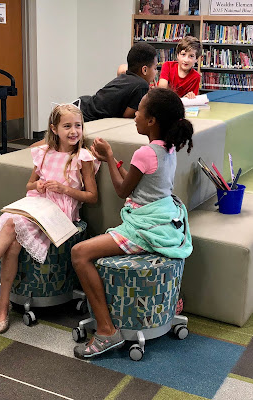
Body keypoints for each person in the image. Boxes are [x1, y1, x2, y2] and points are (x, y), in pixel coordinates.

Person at [0, 103, 99, 334]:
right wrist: (38, 184)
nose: (74, 131)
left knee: (12, 223)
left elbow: (92, 196)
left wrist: (64, 189)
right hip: (36, 205)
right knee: (12, 242)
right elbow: (29, 185)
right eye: (67, 126)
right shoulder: (43, 153)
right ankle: (3, 307)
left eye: (78, 126)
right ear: (54, 129)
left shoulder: (83, 157)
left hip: (60, 213)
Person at [71, 87, 194, 360]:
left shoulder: (144, 153)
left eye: (139, 110)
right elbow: (142, 188)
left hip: (144, 225)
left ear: (151, 121)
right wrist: (113, 162)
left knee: (79, 253)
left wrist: (109, 156)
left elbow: (121, 190)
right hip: (165, 218)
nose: (135, 115)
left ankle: (105, 330)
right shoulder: (168, 148)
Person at [80, 42, 157, 122]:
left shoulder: (125, 77)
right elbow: (128, 117)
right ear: (144, 70)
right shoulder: (142, 85)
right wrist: (149, 98)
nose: (156, 72)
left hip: (83, 105)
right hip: (84, 116)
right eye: (155, 68)